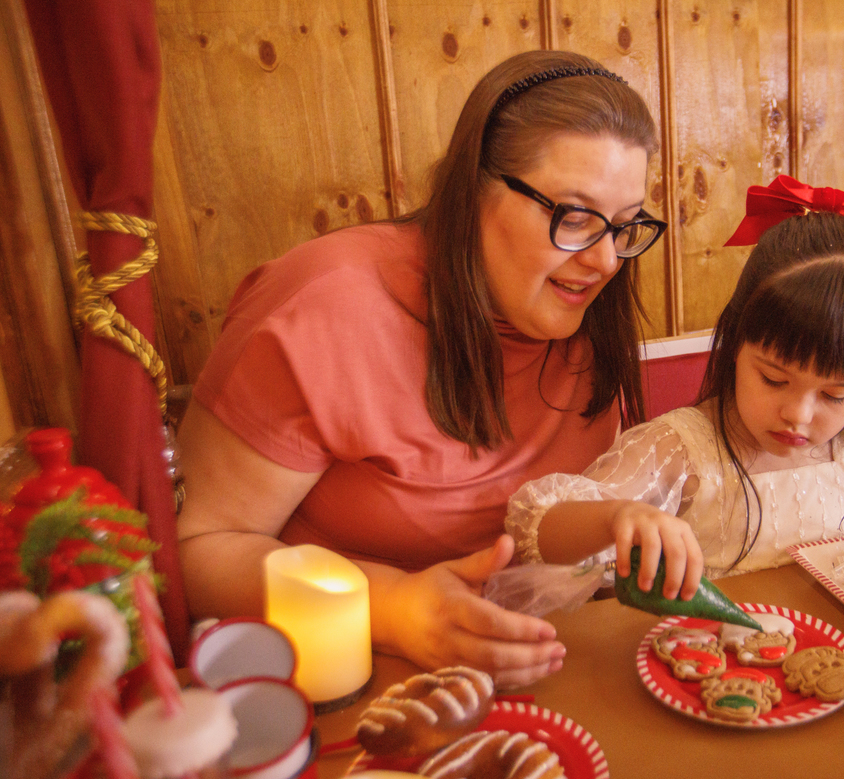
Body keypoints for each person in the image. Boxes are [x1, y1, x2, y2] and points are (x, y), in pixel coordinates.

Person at [175, 50, 667, 688]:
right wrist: (392, 607)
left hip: (547, 665)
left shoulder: (584, 308)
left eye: (626, 227)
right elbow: (197, 553)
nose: (605, 261)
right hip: (349, 680)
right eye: (573, 217)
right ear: (474, 189)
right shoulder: (327, 306)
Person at [505, 176, 844, 601]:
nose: (799, 414)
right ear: (736, 343)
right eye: (774, 379)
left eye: (836, 396)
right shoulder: (680, 451)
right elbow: (536, 529)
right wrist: (615, 517)